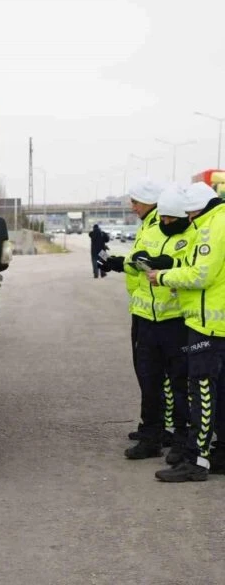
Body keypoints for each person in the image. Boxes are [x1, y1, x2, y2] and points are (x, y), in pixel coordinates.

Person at [147, 182, 225, 482]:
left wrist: (163, 276)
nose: (188, 219)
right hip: (217, 323)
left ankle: (196, 461)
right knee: (220, 393)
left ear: (197, 208)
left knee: (202, 392)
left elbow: (201, 274)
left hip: (206, 323)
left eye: (190, 214)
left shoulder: (211, 226)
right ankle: (219, 454)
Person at [114, 184, 192, 463]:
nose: (166, 223)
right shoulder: (151, 229)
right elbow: (137, 258)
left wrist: (168, 264)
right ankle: (151, 437)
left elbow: (194, 267)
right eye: (164, 218)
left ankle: (183, 441)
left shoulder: (191, 234)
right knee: (149, 381)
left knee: (180, 385)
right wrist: (132, 261)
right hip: (147, 319)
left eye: (171, 219)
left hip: (176, 321)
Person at [97, 178, 165, 443]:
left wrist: (123, 263)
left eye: (136, 201)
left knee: (153, 374)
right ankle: (154, 426)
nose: (132, 206)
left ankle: (157, 430)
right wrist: (117, 263)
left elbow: (149, 262)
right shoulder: (149, 224)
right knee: (147, 372)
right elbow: (139, 260)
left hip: (158, 311)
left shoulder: (159, 225)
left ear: (150, 201)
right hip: (144, 308)